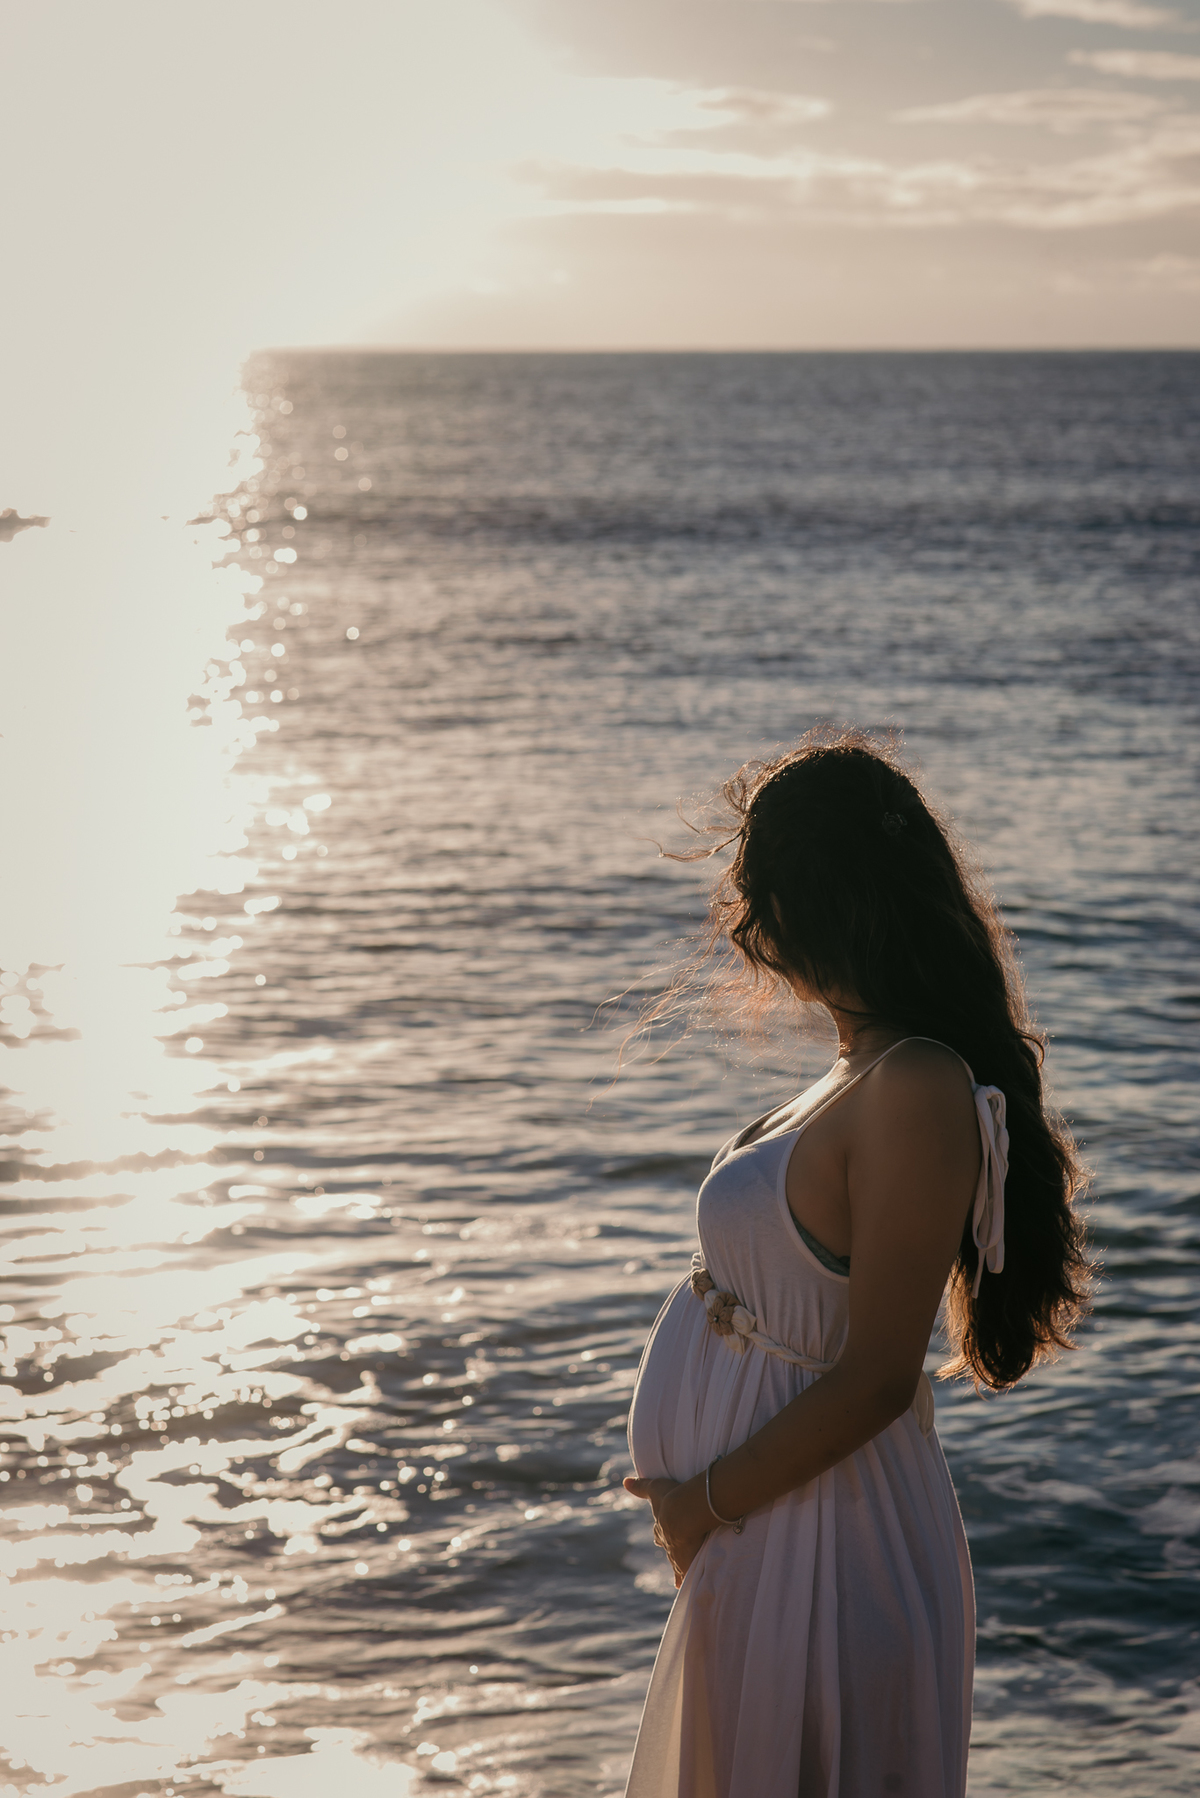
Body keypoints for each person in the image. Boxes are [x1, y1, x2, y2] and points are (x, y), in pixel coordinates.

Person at [622, 730, 1089, 1798]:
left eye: (761, 890)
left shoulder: (915, 1083)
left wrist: (705, 1503)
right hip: (773, 1530)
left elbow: (880, 1373)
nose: (744, 923)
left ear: (827, 897)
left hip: (828, 1539)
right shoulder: (852, 1071)